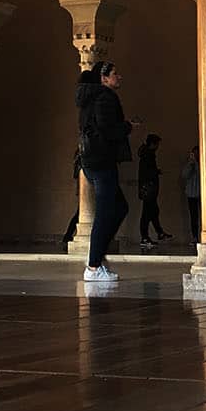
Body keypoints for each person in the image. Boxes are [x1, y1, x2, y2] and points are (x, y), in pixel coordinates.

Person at [76, 62, 139, 282]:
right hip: (102, 161)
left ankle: (98, 255)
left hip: (91, 161)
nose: (118, 77)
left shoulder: (90, 99)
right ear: (103, 78)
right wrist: (127, 126)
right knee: (104, 213)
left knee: (120, 207)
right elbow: (107, 129)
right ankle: (93, 266)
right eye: (114, 74)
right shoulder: (105, 97)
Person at [137, 134, 171, 249]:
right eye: (157, 144)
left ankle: (159, 232)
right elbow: (148, 172)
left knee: (153, 211)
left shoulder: (146, 155)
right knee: (147, 213)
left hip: (147, 188)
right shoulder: (148, 155)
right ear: (153, 144)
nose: (158, 147)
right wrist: (156, 172)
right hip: (149, 189)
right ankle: (146, 237)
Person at [180, 145, 201, 243]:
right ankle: (194, 237)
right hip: (192, 194)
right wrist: (191, 164)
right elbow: (184, 175)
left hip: (202, 194)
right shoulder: (190, 164)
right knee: (193, 216)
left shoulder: (202, 164)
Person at [62, 148, 80, 247]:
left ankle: (67, 236)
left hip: (84, 188)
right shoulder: (82, 152)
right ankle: (67, 236)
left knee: (79, 214)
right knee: (79, 215)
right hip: (85, 188)